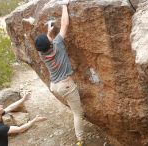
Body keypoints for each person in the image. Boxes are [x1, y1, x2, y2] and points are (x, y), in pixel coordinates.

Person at [34, 0, 85, 146]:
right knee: (78, 114)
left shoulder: (42, 55)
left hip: (55, 86)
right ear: (51, 42)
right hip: (66, 85)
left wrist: (48, 32)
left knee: (73, 105)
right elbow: (65, 24)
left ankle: (76, 108)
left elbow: (47, 43)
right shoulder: (58, 44)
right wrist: (64, 5)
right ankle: (80, 139)